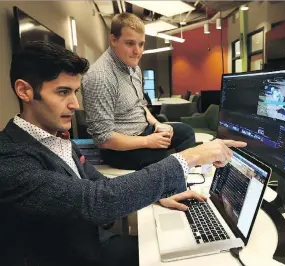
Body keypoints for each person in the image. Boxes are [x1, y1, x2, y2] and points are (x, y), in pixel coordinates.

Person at [0, 41, 247, 266]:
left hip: (91, 244)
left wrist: (158, 195)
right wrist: (189, 157)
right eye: (63, 92)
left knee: (192, 250)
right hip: (70, 256)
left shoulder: (57, 139)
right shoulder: (10, 159)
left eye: (75, 92)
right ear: (25, 91)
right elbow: (95, 201)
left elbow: (100, 184)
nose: (75, 104)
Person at [82, 13, 196, 170]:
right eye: (130, 43)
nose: (137, 51)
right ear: (113, 40)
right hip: (120, 150)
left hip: (145, 132)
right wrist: (149, 141)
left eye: (141, 44)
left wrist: (157, 124)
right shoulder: (99, 77)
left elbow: (140, 104)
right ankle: (177, 181)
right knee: (167, 162)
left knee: (186, 132)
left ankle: (186, 176)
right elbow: (104, 139)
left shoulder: (134, 68)